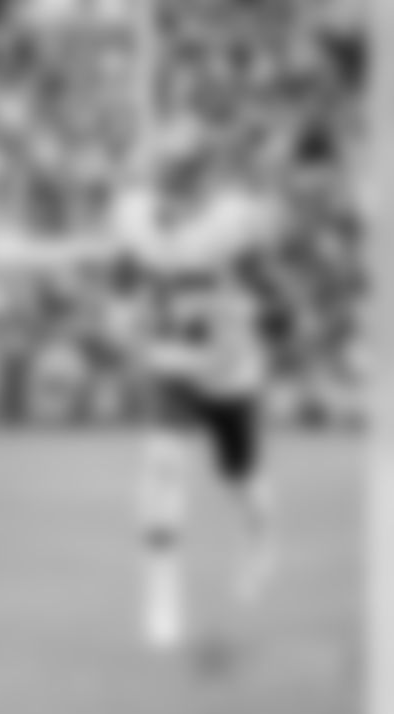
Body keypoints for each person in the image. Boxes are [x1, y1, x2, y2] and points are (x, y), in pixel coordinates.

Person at [112, 181, 281, 652]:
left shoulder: (233, 235)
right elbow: (125, 295)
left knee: (242, 480)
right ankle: (162, 597)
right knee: (161, 463)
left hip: (228, 375)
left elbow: (246, 330)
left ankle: (261, 541)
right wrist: (132, 326)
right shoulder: (142, 226)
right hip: (174, 370)